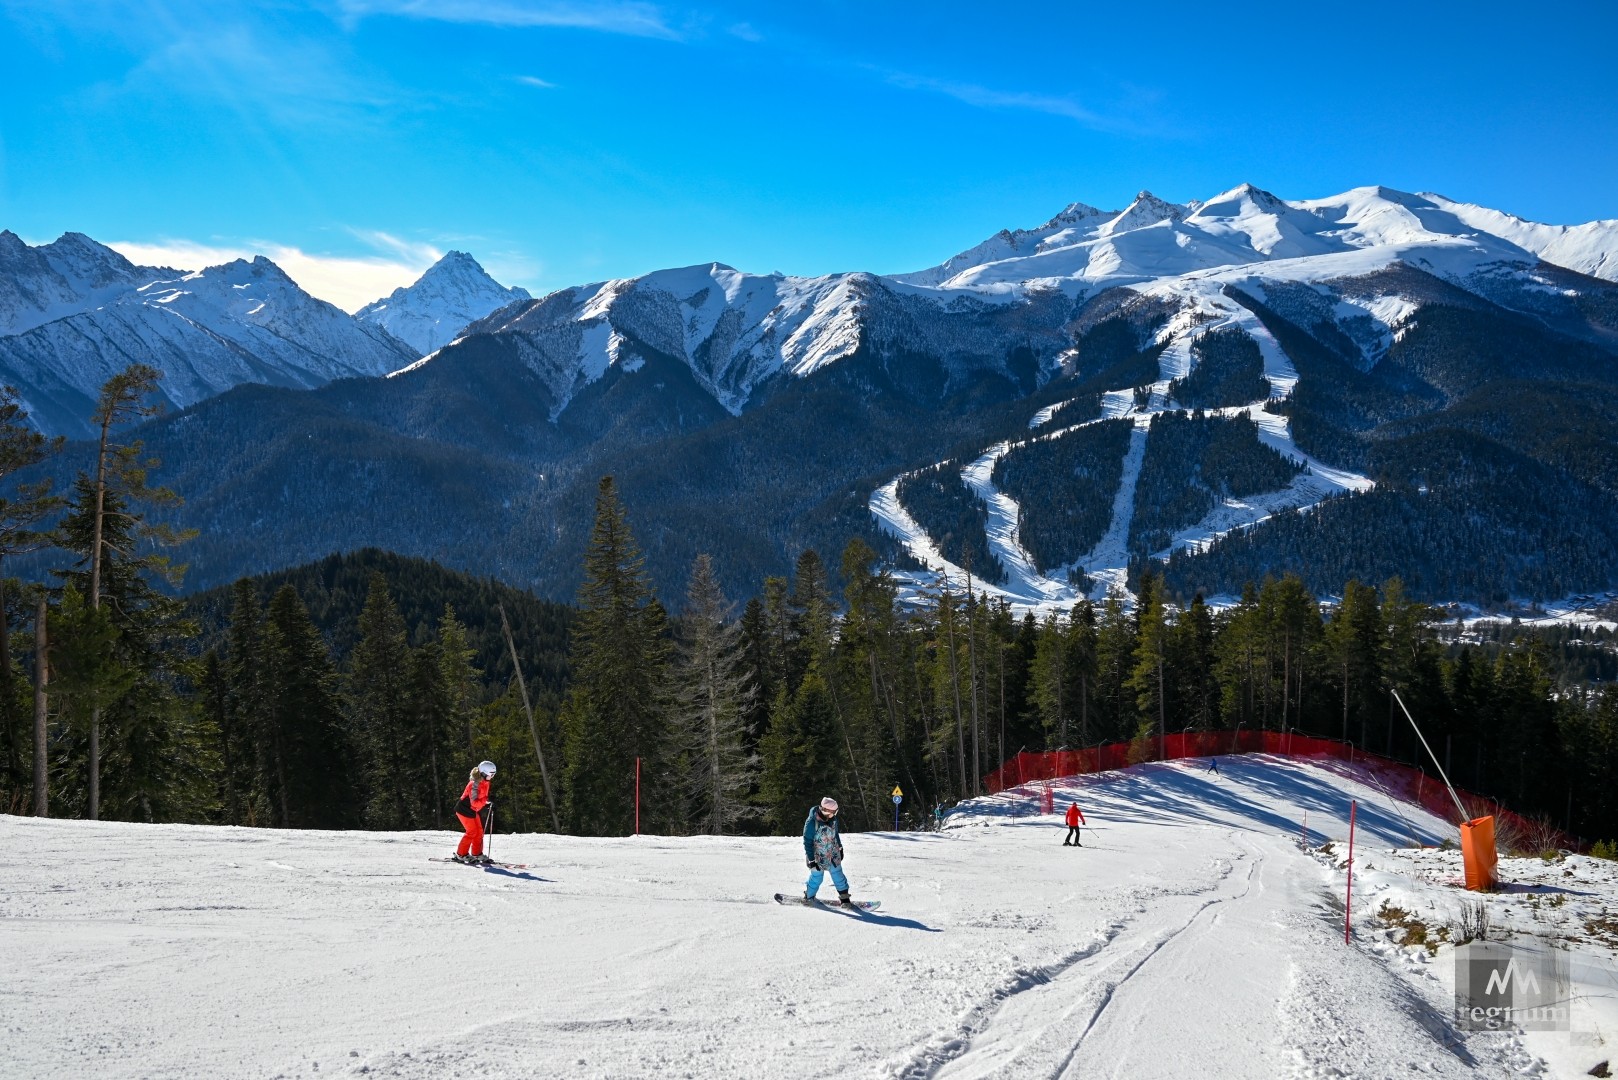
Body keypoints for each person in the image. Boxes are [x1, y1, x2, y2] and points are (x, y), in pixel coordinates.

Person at [803, 796, 855, 906]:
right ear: (826, 810)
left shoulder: (833, 819)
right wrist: (812, 860)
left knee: (838, 876)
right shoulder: (812, 823)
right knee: (817, 878)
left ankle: (845, 900)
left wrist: (840, 848)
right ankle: (808, 897)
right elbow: (807, 842)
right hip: (817, 855)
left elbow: (835, 834)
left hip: (833, 853)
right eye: (833, 812)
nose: (835, 814)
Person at [453, 760, 496, 865]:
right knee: (472, 832)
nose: (492, 777)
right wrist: (485, 801)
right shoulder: (474, 784)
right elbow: (475, 802)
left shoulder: (486, 782)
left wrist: (487, 801)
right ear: (484, 773)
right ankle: (460, 854)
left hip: (472, 809)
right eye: (491, 775)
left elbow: (481, 798)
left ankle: (476, 853)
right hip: (464, 809)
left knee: (479, 832)